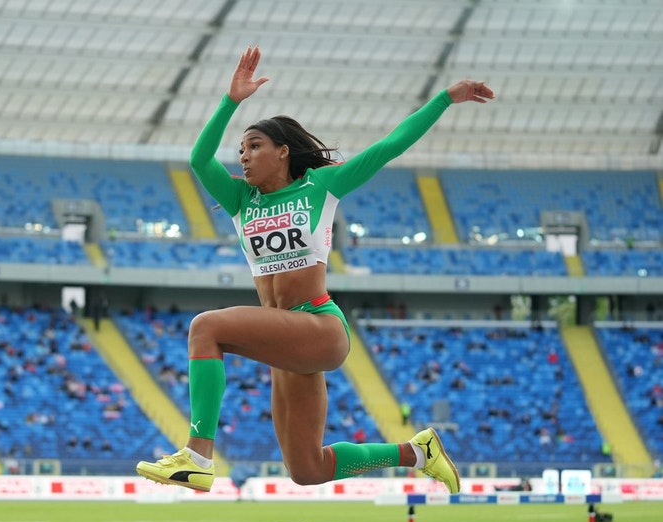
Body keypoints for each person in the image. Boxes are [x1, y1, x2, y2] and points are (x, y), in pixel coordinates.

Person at [136, 46, 495, 494]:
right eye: (241, 149)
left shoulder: (319, 187)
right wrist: (231, 101)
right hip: (286, 337)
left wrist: (445, 98)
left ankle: (195, 456)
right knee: (307, 468)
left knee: (204, 328)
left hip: (319, 326)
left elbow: (389, 146)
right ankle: (418, 452)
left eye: (254, 146)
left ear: (283, 152)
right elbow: (199, 160)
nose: (243, 156)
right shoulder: (240, 200)